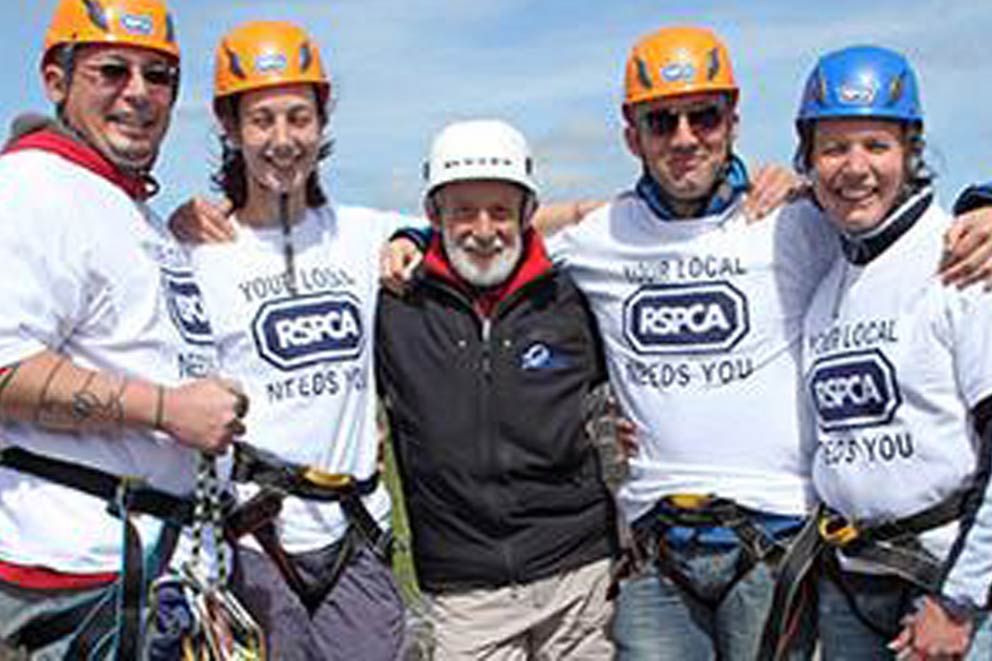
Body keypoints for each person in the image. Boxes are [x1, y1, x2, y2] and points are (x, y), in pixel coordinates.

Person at [541, 26, 992, 661]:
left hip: (798, 550)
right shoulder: (600, 237)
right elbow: (487, 228)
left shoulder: (810, 225)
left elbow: (903, 217)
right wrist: (417, 240)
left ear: (733, 121)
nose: (684, 137)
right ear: (631, 135)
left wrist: (985, 206)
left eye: (703, 116)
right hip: (703, 554)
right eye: (661, 121)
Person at [0, 0, 247, 658]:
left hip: (160, 566)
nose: (139, 92)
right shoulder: (31, 189)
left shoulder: (126, 206)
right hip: (85, 577)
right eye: (112, 70)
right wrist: (168, 409)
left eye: (158, 75)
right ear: (56, 80)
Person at [189, 20, 407, 660]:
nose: (283, 140)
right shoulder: (196, 254)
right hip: (252, 539)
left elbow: (485, 223)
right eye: (262, 121)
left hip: (354, 532)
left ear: (321, 122)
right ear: (230, 127)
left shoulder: (363, 234)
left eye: (299, 118)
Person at [376, 118, 618, 659]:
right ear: (433, 215)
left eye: (500, 211)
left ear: (528, 214)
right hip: (466, 592)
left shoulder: (573, 295)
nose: (484, 230)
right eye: (463, 211)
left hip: (580, 578)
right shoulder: (394, 304)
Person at [791, 44, 992, 660]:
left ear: (911, 151)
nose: (855, 168)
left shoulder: (964, 264)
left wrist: (958, 601)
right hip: (850, 584)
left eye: (875, 145)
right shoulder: (827, 283)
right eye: (833, 149)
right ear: (808, 160)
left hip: (945, 589)